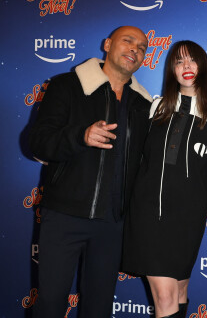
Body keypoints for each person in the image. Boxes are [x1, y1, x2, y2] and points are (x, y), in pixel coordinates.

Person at [29, 26, 152, 317]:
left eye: (143, 47)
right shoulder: (65, 86)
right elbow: (38, 143)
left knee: (98, 308)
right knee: (49, 304)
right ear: (108, 44)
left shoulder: (143, 104)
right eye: (128, 41)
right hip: (64, 216)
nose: (135, 49)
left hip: (112, 225)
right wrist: (80, 136)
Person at [122, 41, 207, 318]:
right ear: (172, 70)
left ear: (204, 65)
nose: (187, 67)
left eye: (193, 60)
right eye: (179, 62)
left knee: (180, 291)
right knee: (165, 298)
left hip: (188, 218)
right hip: (150, 215)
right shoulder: (156, 107)